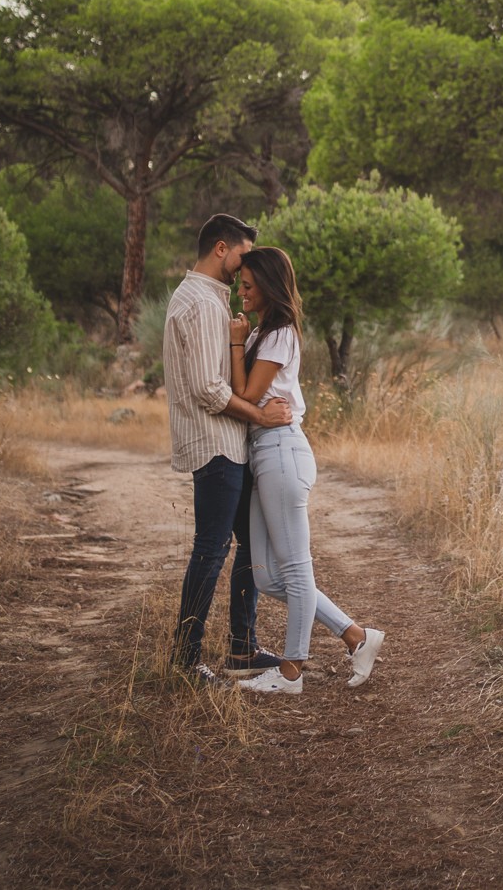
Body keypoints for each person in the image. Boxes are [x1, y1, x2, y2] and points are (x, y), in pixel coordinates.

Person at [228, 246, 385, 694]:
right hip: (264, 453)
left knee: (295, 570)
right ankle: (356, 636)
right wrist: (243, 340)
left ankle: (291, 671)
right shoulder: (262, 334)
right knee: (266, 576)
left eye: (248, 285)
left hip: (281, 450)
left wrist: (236, 342)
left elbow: (246, 393)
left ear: (268, 286)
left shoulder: (278, 333)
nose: (242, 292)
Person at [165, 213, 290, 685]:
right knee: (211, 550)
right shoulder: (200, 302)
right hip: (215, 443)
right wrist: (259, 415)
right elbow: (207, 388)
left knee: (250, 545)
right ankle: (185, 660)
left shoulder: (208, 299)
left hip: (229, 444)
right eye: (242, 255)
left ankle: (242, 648)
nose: (244, 267)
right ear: (221, 248)